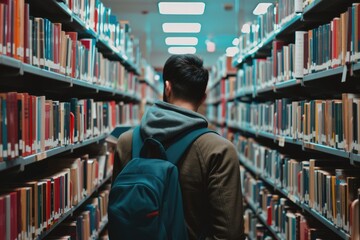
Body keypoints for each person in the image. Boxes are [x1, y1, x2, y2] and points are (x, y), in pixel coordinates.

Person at [112, 54, 245, 240]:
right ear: (203, 98)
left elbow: (118, 211)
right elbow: (229, 233)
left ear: (167, 88)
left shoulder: (126, 142)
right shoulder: (219, 150)